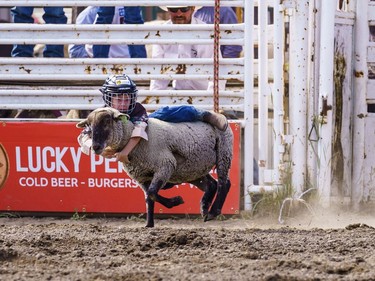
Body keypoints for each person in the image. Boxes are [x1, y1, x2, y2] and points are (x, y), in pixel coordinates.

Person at [78, 74, 228, 163]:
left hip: (144, 137)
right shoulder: (100, 116)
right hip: (130, 153)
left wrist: (125, 152)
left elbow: (139, 131)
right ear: (108, 98)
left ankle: (204, 114)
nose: (124, 102)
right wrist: (97, 149)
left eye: (127, 97)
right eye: (118, 98)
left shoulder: (136, 109)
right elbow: (84, 136)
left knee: (164, 113)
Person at [150, 6, 226, 91]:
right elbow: (158, 73)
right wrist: (154, 99)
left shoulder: (205, 33)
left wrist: (209, 100)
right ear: (168, 10)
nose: (179, 13)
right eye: (174, 9)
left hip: (203, 93)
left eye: (184, 9)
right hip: (178, 92)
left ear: (192, 9)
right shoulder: (161, 34)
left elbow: (217, 71)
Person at [69, 6, 147, 59]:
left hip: (110, 64)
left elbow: (75, 49)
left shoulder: (90, 11)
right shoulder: (90, 12)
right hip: (128, 63)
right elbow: (75, 49)